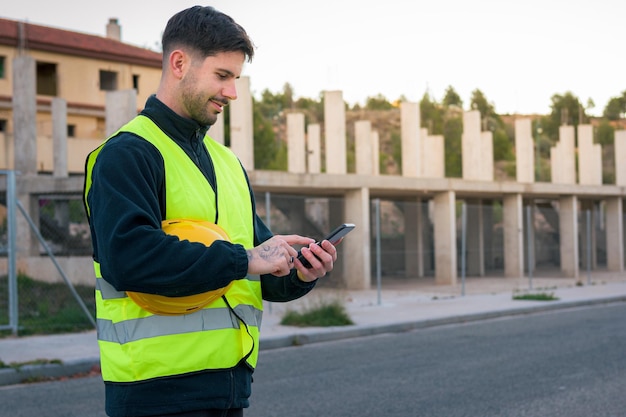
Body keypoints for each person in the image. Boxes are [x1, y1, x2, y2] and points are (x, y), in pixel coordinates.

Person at [83, 6, 338, 417]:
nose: (232, 93)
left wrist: (297, 273)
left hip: (230, 385)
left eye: (235, 79)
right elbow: (128, 258)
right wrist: (248, 258)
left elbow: (250, 270)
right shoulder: (127, 154)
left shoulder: (227, 163)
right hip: (155, 391)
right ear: (179, 64)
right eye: (223, 76)